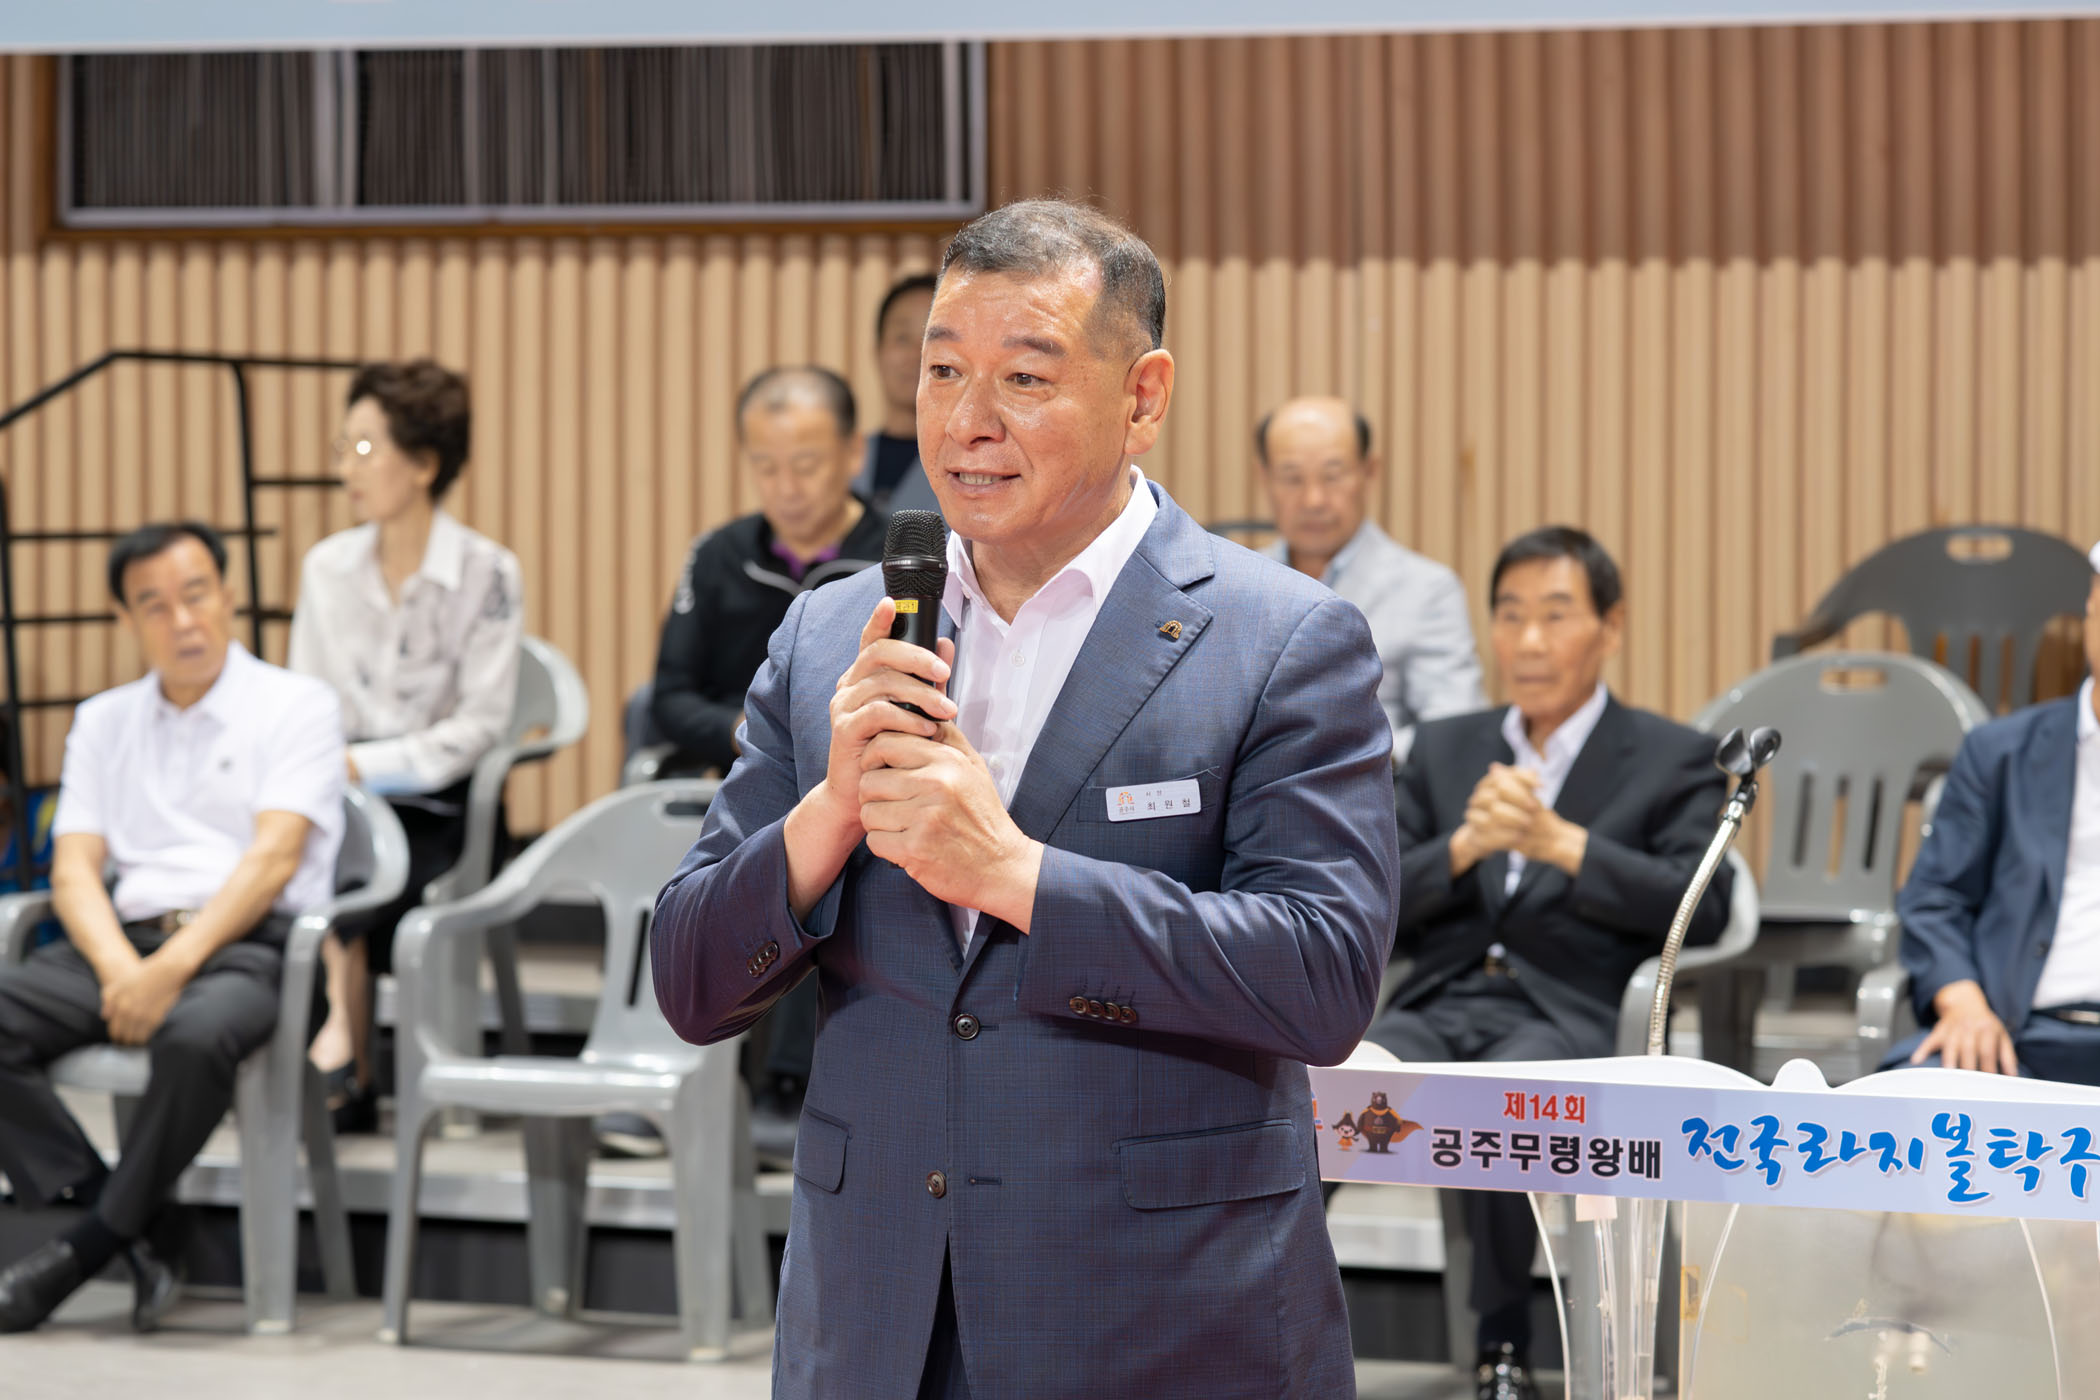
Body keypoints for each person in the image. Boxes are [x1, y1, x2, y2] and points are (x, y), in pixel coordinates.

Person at [652, 199, 1400, 1398]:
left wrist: (1017, 876)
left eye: (1026, 378)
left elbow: (1320, 978)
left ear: (1143, 397)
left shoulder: (1280, 638)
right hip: (876, 1318)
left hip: (1160, 1313)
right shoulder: (833, 633)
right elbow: (692, 981)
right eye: (943, 370)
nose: (967, 421)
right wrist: (828, 814)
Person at [1366, 525, 1732, 1400]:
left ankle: (1502, 1351)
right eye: (1511, 615)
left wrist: (1563, 844)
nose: (1529, 641)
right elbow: (1375, 899)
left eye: (1556, 615)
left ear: (1610, 627)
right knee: (1326, 1094)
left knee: (1502, 1100)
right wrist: (1465, 847)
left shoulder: (1671, 756)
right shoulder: (1445, 747)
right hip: (1436, 1002)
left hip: (1564, 1012)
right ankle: (1281, 1335)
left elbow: (1705, 905)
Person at [0, 522, 344, 1333]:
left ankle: (85, 1247)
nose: (182, 620)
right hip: (124, 945)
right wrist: (126, 971)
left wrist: (169, 970)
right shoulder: (103, 720)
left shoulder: (296, 705)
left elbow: (272, 861)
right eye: (154, 605)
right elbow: (74, 869)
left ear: (228, 595)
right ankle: (134, 1227)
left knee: (193, 1036)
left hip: (250, 948)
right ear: (126, 619)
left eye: (196, 595)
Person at [637, 365, 889, 1161]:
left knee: (822, 843)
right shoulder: (719, 555)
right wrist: (756, 734)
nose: (787, 486)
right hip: (736, 770)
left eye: (806, 464)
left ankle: (788, 1081)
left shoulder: (895, 556)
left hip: (854, 774)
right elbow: (668, 697)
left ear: (853, 452)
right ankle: (657, 1062)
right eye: (766, 465)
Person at [288, 360, 523, 1131]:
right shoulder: (327, 568)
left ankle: (341, 1066)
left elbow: (481, 726)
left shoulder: (488, 573)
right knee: (308, 851)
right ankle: (343, 1061)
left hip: (439, 802)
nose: (346, 470)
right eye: (344, 447)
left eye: (365, 449)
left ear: (423, 464)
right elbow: (305, 700)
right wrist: (335, 770)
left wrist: (364, 764)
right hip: (341, 791)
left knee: (351, 876)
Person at [1885, 541, 2100, 1086]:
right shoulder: (2001, 753)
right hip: (2014, 1037)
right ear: (2091, 611)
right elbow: (1936, 898)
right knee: (1914, 1097)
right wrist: (1964, 1004)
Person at [1257, 396, 1485, 765]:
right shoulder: (1238, 584)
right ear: (1264, 478)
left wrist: (1346, 761)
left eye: (1332, 476)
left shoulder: (1428, 590)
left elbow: (1452, 727)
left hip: (1381, 788)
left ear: (1369, 472)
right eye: (1292, 478)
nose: (1314, 500)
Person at [853, 272, 941, 516]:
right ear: (878, 351)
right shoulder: (841, 461)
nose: (916, 354)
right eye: (902, 338)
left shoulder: (973, 465)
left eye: (932, 338)